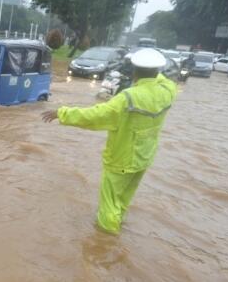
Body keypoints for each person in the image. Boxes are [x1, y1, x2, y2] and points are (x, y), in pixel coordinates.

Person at [42, 48, 177, 234]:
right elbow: (161, 79)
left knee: (109, 206)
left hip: (121, 159)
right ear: (158, 70)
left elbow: (95, 116)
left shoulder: (128, 97)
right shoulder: (168, 90)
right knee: (122, 201)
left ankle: (106, 242)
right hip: (143, 158)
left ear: (134, 70)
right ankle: (117, 224)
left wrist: (62, 112)